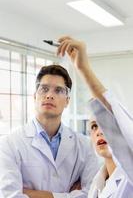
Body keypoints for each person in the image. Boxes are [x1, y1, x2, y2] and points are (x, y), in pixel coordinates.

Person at [0, 57, 98, 196]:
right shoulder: (9, 143)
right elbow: (10, 195)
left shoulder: (84, 146)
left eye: (58, 90)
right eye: (44, 89)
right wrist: (69, 195)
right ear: (35, 96)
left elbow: (92, 194)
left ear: (67, 101)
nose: (49, 95)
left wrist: (33, 194)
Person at [55, 36, 133, 197]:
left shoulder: (128, 177)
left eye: (104, 124)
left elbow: (113, 114)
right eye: (94, 126)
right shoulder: (97, 185)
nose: (99, 131)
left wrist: (83, 69)